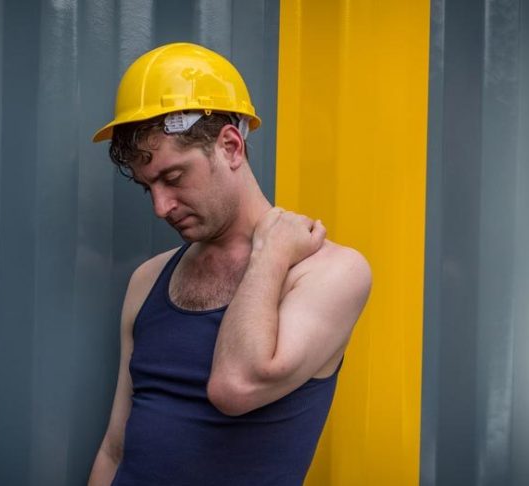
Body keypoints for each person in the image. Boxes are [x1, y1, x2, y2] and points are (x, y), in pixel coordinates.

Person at [87, 42, 371, 486]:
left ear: (231, 146)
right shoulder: (148, 280)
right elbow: (115, 449)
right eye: (148, 188)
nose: (161, 207)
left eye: (173, 177)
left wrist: (271, 253)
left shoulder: (332, 273)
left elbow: (235, 387)